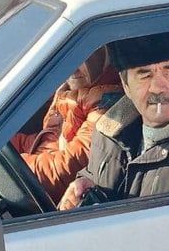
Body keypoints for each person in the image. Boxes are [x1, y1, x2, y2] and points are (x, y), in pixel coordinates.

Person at [58, 29, 169, 209]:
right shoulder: (109, 131)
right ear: (126, 85)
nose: (157, 88)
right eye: (144, 75)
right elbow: (96, 174)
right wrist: (83, 183)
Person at [10, 46, 122, 203]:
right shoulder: (66, 90)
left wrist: (14, 167)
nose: (71, 68)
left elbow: (68, 167)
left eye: (80, 58)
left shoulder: (109, 100)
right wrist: (1, 149)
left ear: (103, 54)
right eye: (65, 60)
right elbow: (47, 140)